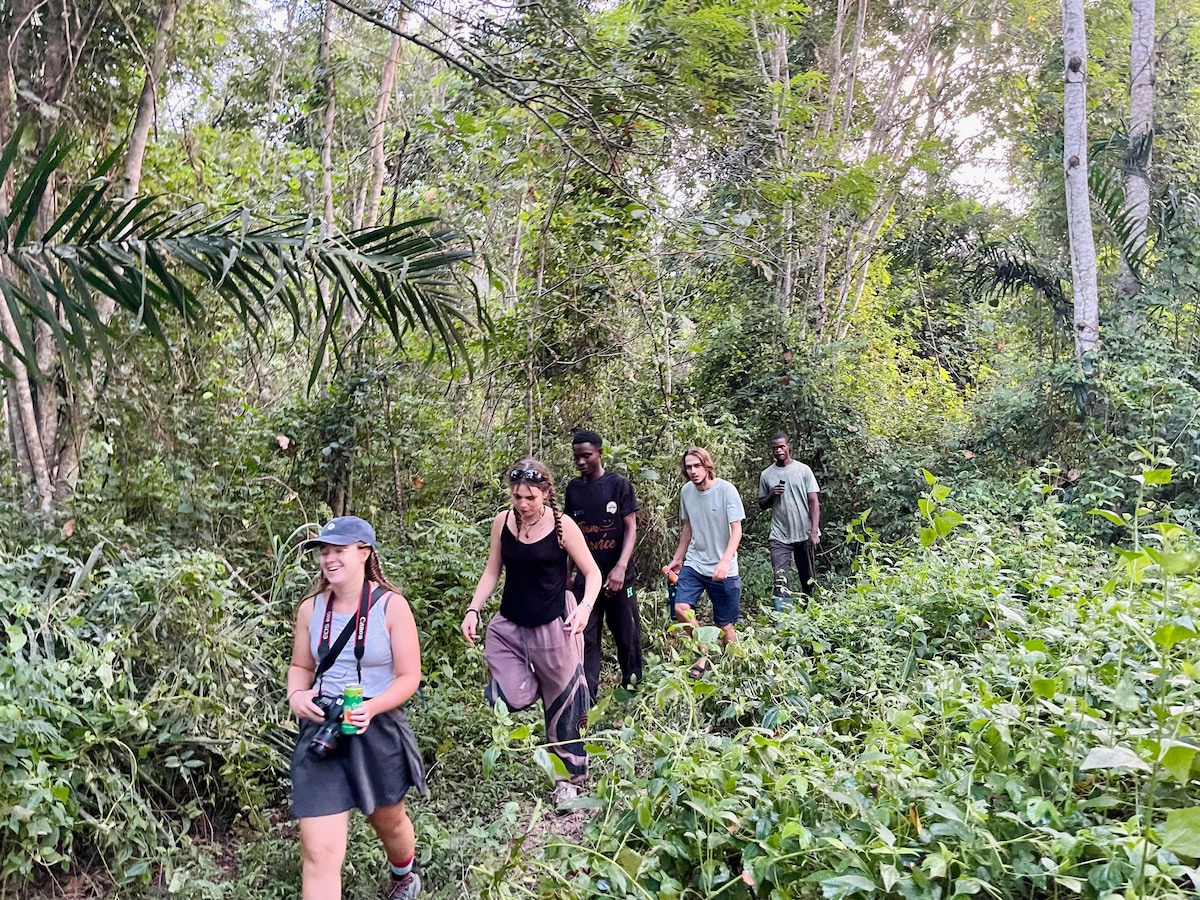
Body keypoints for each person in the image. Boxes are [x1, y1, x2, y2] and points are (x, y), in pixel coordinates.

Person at [286, 516, 428, 900]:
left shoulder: (391, 607)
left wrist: (372, 706)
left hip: (376, 727)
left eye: (340, 551)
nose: (330, 559)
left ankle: (403, 875)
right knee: (319, 852)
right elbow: (300, 668)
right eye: (325, 552)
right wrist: (298, 696)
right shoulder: (310, 610)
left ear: (365, 552)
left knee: (388, 820)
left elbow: (409, 675)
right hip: (324, 729)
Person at [460, 459, 602, 810]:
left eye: (529, 497)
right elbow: (492, 571)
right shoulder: (503, 522)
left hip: (554, 625)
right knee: (507, 696)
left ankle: (568, 782)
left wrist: (584, 608)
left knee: (566, 706)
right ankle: (536, 687)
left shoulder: (562, 526)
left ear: (545, 494)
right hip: (511, 627)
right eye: (516, 496)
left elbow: (593, 573)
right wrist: (473, 608)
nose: (522, 504)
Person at [565, 430, 643, 701]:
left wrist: (621, 567)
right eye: (576, 457)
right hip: (586, 582)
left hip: (619, 578)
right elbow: (568, 533)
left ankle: (632, 689)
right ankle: (587, 698)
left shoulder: (618, 485)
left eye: (586, 456)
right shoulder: (574, 490)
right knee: (586, 639)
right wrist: (568, 576)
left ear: (600, 453)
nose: (581, 462)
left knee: (627, 634)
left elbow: (631, 527)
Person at [665, 447, 745, 679]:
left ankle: (736, 670)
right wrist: (678, 558)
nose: (692, 471)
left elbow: (736, 529)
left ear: (707, 466)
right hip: (696, 563)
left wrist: (725, 560)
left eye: (697, 466)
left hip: (724, 567)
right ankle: (704, 653)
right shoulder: (687, 492)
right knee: (681, 608)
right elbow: (688, 526)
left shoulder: (726, 490)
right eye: (688, 467)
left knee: (725, 625)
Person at [757, 432, 821, 608]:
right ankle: (783, 621)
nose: (778, 451)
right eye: (775, 448)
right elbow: (762, 504)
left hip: (804, 532)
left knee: (807, 578)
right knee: (780, 577)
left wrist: (814, 531)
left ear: (788, 446)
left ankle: (808, 612)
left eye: (781, 446)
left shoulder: (803, 470)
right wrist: (772, 494)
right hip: (779, 535)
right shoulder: (767, 475)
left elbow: (814, 502)